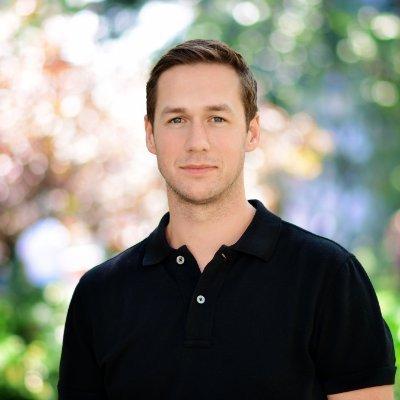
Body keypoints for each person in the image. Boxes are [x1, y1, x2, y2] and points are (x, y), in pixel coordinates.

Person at [57, 39, 397, 400]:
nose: (197, 142)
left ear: (252, 132)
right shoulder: (99, 294)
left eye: (217, 118)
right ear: (150, 134)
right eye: (176, 119)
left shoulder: (329, 276)